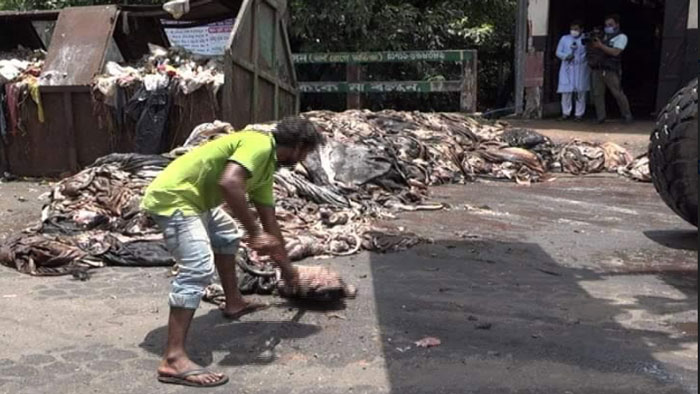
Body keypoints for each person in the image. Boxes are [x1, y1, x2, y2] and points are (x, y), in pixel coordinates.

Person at [141, 116, 324, 387]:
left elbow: (271, 226)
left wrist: (289, 272)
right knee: (197, 269)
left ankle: (234, 301)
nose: (303, 160)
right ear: (298, 146)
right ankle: (173, 359)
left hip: (197, 201)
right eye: (306, 153)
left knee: (226, 235)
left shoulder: (264, 170)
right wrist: (254, 232)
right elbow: (229, 183)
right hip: (175, 198)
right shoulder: (259, 144)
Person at [588, 14, 633, 124]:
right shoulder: (602, 36)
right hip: (597, 68)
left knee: (617, 93)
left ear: (617, 25)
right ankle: (601, 117)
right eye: (606, 25)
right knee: (597, 94)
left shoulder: (621, 37)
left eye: (610, 25)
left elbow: (615, 52)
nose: (608, 27)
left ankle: (627, 115)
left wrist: (600, 46)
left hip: (611, 70)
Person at [555, 20, 590, 121]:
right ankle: (565, 112)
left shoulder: (585, 39)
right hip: (567, 67)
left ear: (581, 29)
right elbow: (558, 52)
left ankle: (579, 114)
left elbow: (589, 52)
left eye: (576, 29)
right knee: (566, 92)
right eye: (572, 29)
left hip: (581, 67)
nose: (573, 31)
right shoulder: (564, 39)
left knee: (580, 91)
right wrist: (566, 56)